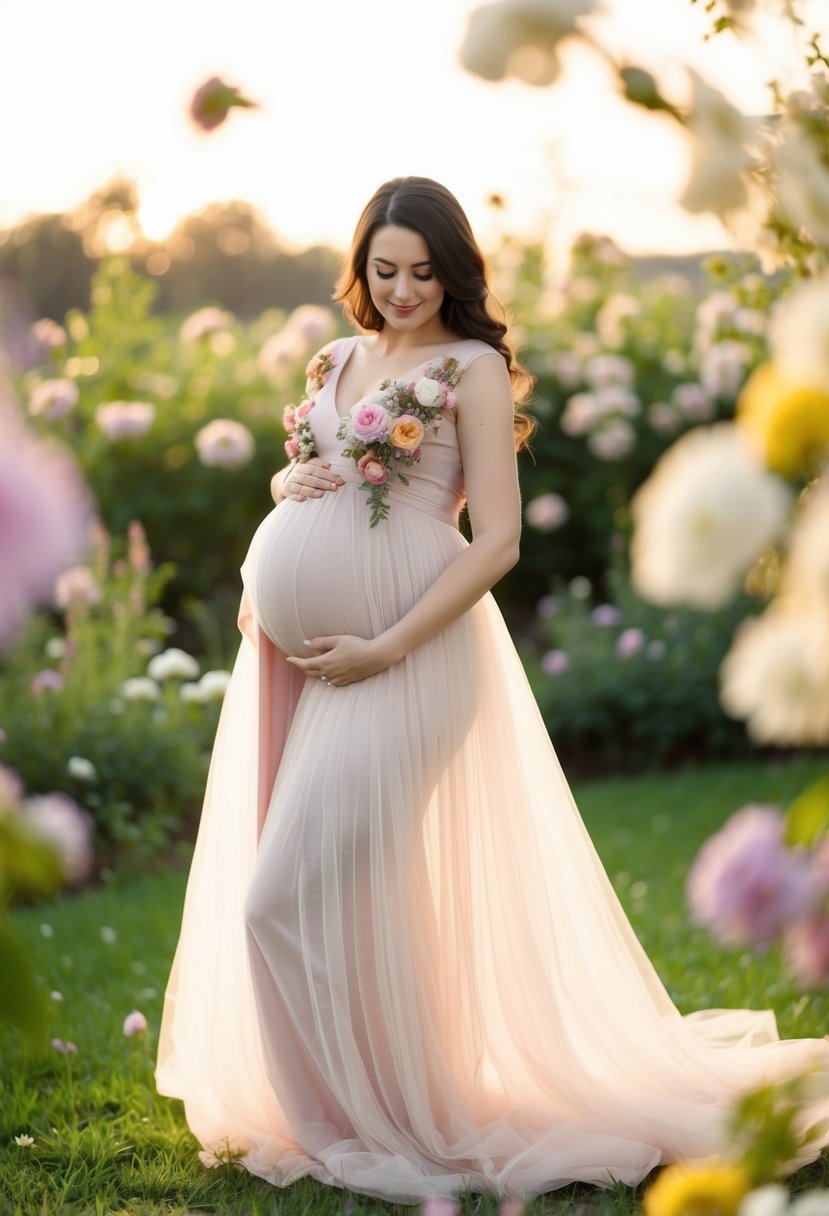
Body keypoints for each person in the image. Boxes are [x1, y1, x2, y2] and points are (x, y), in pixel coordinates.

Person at [156, 176, 829, 1206]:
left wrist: (384, 643)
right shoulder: (335, 359)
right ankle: (339, 1106)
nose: (404, 289)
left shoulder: (470, 369)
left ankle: (366, 1122)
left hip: (411, 659)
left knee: (276, 899)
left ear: (453, 271)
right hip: (302, 662)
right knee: (341, 894)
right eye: (385, 270)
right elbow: (319, 474)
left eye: (424, 271)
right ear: (361, 268)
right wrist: (289, 489)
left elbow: (498, 541)